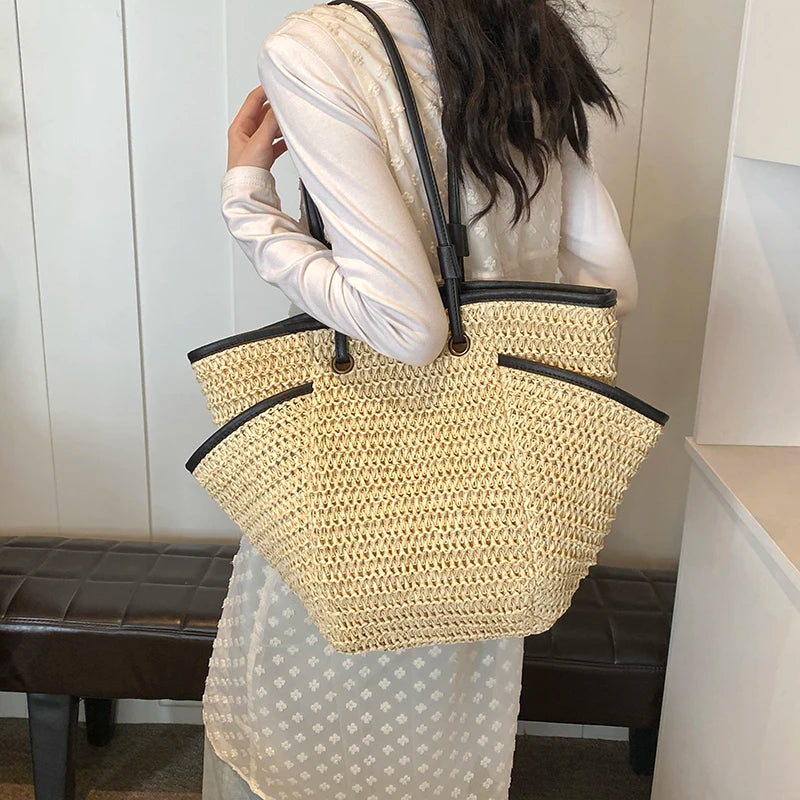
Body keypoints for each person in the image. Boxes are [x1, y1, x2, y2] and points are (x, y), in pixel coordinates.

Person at [201, 0, 636, 798]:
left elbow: (406, 326)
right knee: (442, 749)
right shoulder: (520, 34)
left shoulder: (315, 48)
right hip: (491, 495)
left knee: (305, 738)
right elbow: (613, 284)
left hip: (353, 479)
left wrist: (248, 200)